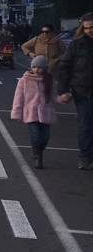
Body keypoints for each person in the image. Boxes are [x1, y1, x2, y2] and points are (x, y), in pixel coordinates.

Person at [56, 12, 93, 170]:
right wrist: (63, 90)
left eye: (92, 27)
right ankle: (85, 157)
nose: (90, 30)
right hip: (83, 91)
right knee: (86, 125)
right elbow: (64, 67)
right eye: (87, 28)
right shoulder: (77, 45)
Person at [12, 55, 57, 169]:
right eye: (34, 67)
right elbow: (18, 97)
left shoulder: (48, 80)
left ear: (45, 68)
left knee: (45, 137)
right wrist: (17, 112)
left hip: (46, 113)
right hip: (31, 113)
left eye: (40, 67)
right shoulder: (24, 80)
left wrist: (63, 98)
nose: (36, 70)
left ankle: (39, 151)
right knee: (36, 136)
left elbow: (53, 96)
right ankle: (37, 156)